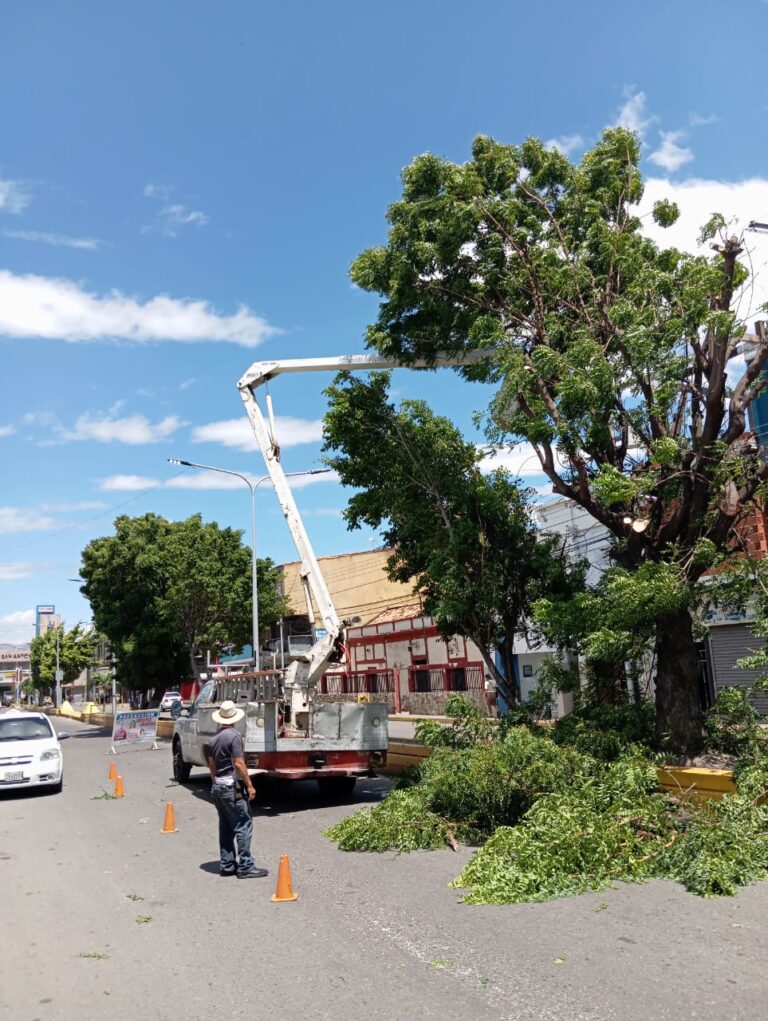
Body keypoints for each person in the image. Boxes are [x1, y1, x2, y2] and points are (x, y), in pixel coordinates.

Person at [208, 700, 267, 879]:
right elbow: (239, 763)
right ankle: (246, 866)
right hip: (230, 787)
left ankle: (227, 864)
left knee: (225, 826)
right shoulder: (234, 736)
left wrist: (215, 782)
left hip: (218, 786)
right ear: (234, 718)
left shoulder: (214, 738)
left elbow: (211, 765)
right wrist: (249, 785)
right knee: (243, 824)